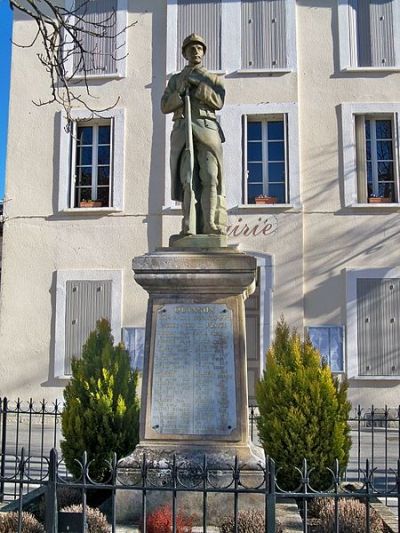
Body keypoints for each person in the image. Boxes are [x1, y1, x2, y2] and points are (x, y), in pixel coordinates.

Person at [161, 34, 227, 236]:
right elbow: (165, 106)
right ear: (185, 53)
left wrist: (198, 87)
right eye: (191, 49)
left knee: (210, 177)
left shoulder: (213, 78)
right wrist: (180, 92)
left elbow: (218, 101)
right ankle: (188, 226)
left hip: (207, 128)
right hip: (183, 129)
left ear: (204, 52)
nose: (195, 52)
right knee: (187, 179)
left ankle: (210, 224)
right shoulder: (175, 80)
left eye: (199, 48)